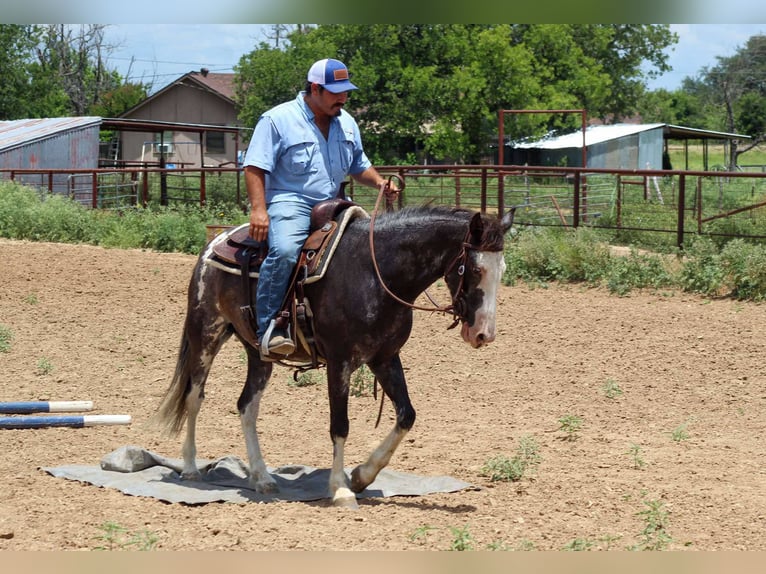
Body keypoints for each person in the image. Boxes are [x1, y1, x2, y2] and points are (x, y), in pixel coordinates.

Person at [241, 58, 397, 359]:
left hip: (335, 201)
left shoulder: (347, 122)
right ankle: (270, 327)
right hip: (291, 199)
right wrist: (259, 210)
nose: (344, 98)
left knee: (370, 246)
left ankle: (360, 320)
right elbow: (254, 166)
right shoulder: (277, 120)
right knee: (286, 250)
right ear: (314, 88)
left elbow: (358, 165)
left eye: (346, 91)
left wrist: (379, 182)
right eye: (336, 92)